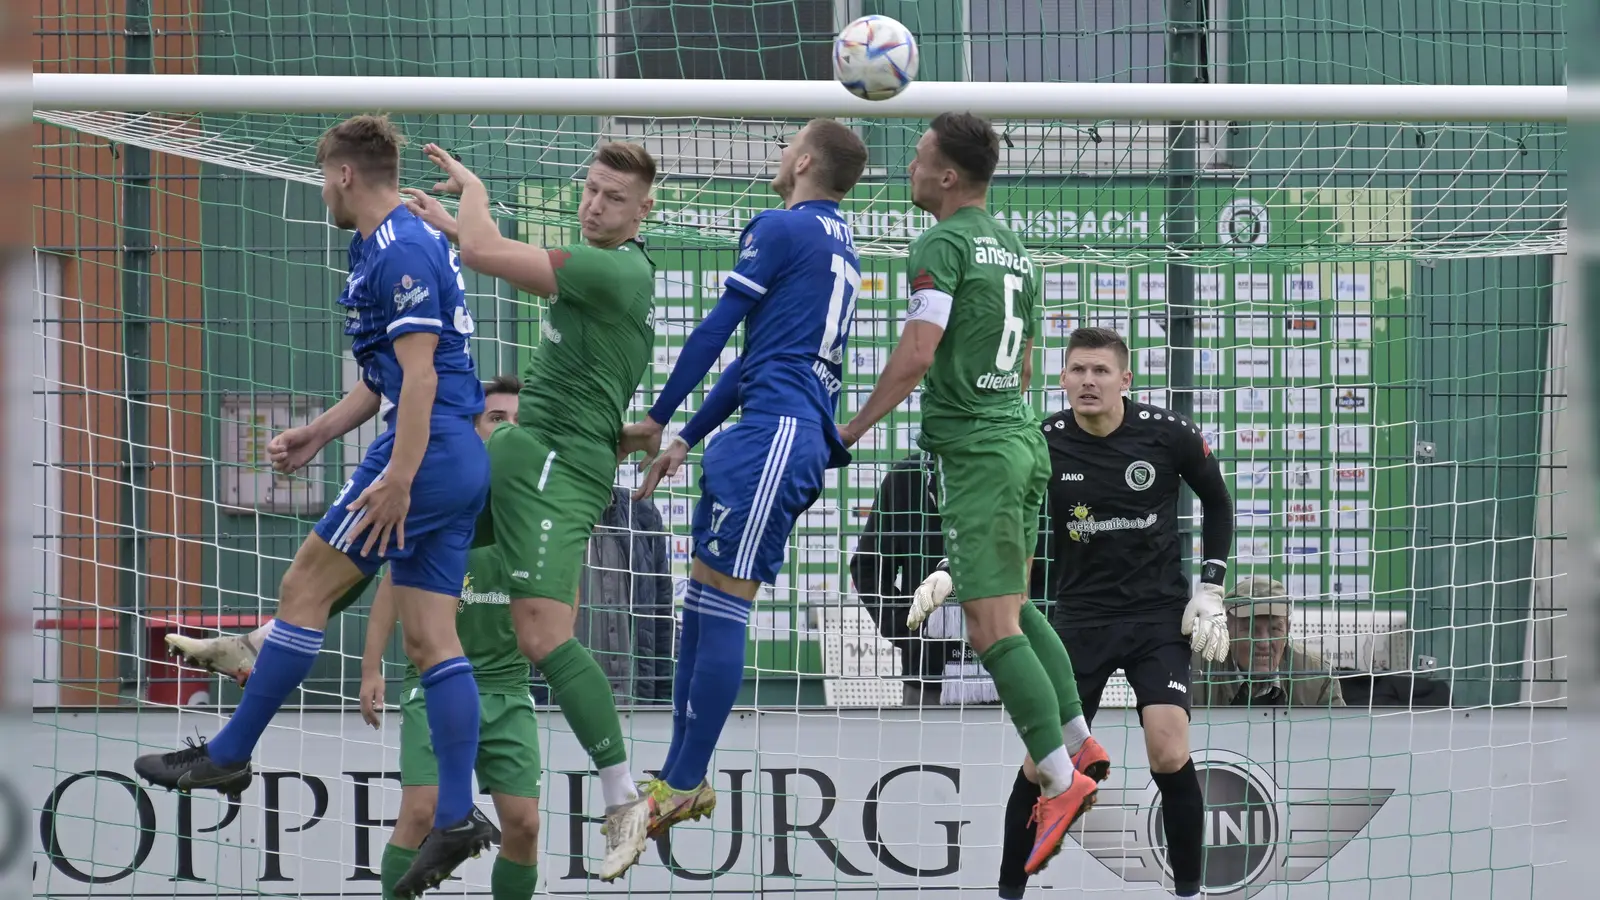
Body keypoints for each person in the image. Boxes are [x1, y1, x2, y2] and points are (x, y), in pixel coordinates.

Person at [136, 114, 496, 894]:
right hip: (445, 455)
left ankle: (229, 755)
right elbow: (384, 375)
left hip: (424, 457)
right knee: (434, 640)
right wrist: (316, 433)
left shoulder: (400, 248)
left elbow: (423, 376)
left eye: (320, 176)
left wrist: (398, 476)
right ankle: (461, 814)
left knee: (303, 588)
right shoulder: (380, 244)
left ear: (343, 175)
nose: (319, 191)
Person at [837, 112, 1103, 878]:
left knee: (989, 630)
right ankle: (1080, 736)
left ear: (948, 176)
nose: (909, 168)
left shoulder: (942, 243)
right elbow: (1023, 372)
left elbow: (919, 352)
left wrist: (849, 431)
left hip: (977, 452)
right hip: (1022, 442)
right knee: (1016, 611)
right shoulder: (1013, 247)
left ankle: (1058, 778)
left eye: (918, 158)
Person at [402, 139, 660, 881]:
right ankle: (281, 631)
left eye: (614, 198)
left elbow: (485, 251)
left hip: (552, 469)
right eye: (590, 190)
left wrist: (473, 194)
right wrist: (461, 230)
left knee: (542, 634)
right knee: (404, 528)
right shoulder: (597, 272)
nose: (594, 205)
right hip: (529, 452)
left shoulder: (615, 270)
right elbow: (486, 247)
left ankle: (622, 797)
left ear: (646, 211)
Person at [617, 118, 869, 849]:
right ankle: (674, 775)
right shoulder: (831, 239)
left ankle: (688, 778)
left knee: (724, 600)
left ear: (808, 161)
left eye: (787, 144)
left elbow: (717, 329)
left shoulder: (783, 228)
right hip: (764, 426)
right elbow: (757, 357)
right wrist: (688, 437)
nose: (777, 154)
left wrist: (658, 417)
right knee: (702, 593)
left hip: (779, 434)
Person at [989, 326, 1235, 900]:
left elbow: (1218, 500)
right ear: (1063, 378)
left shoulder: (1168, 435)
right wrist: (961, 566)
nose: (1088, 381)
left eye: (1101, 371)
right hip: (1079, 619)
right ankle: (1007, 892)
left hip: (1158, 618)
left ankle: (1189, 892)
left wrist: (1211, 588)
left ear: (1126, 380)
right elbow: (1000, 512)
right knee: (1040, 763)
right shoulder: (1040, 439)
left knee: (1169, 746)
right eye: (1078, 370)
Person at [358, 375, 541, 900]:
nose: (507, 431)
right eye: (497, 419)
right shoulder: (440, 497)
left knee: (524, 826)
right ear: (473, 427)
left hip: (508, 689)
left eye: (517, 423)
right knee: (422, 810)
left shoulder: (531, 512)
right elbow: (392, 585)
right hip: (437, 685)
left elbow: (558, 609)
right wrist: (372, 668)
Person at [848, 451, 966, 705]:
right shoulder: (908, 475)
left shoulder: (1008, 469)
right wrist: (906, 627)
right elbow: (867, 566)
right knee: (922, 742)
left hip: (1005, 668)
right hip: (926, 669)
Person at [1191, 576, 1346, 708]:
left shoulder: (1317, 677)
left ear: (1288, 629)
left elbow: (1339, 738)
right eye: (1251, 629)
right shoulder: (1193, 671)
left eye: (1275, 629)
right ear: (1227, 628)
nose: (1264, 642)